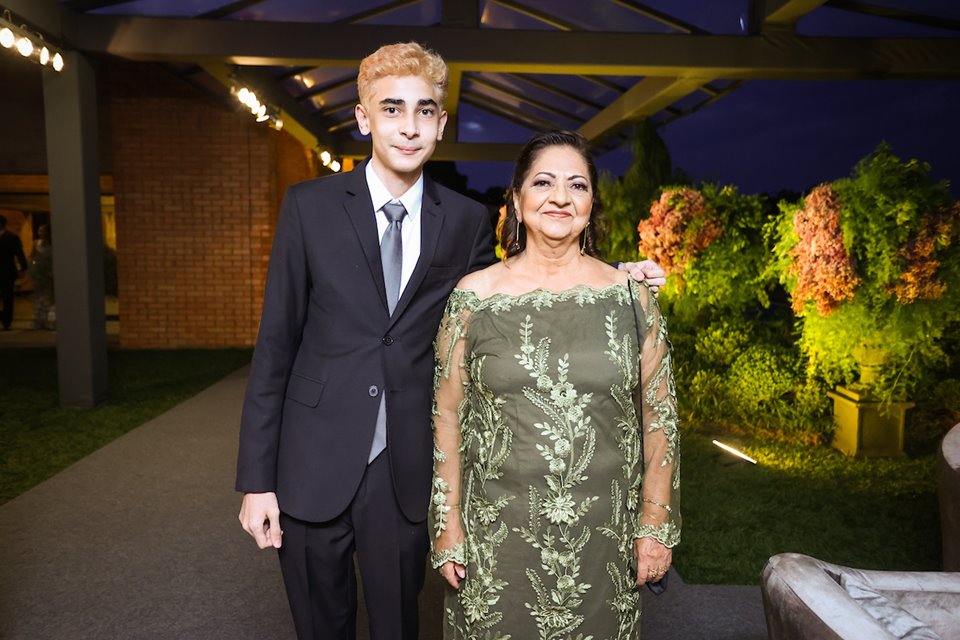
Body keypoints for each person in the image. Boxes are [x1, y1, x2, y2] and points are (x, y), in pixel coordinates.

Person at [236, 42, 666, 640]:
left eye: (424, 111)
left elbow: (516, 293)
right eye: (392, 109)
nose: (408, 126)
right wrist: (258, 481)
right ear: (364, 118)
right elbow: (275, 345)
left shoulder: (463, 219)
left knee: (398, 626)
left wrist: (619, 275)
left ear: (441, 123)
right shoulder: (308, 207)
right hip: (309, 462)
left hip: (404, 470)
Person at [430, 130, 680, 638]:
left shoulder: (632, 301)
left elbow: (661, 418)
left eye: (578, 185)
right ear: (517, 202)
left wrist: (655, 526)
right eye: (543, 182)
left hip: (602, 540)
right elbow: (447, 415)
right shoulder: (472, 298)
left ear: (591, 205)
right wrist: (446, 524)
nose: (560, 197)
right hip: (495, 540)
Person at [0, 214, 29, 331]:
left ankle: (6, 320)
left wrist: (23, 268)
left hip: (7, 271)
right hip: (8, 270)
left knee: (8, 297)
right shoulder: (12, 237)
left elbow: (19, 254)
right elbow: (19, 254)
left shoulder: (12, 237)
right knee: (8, 297)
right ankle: (5, 318)